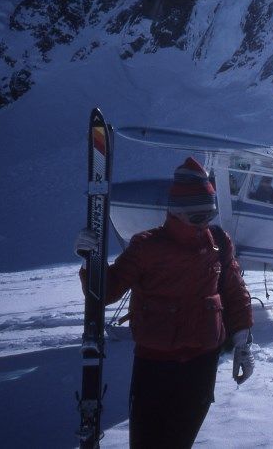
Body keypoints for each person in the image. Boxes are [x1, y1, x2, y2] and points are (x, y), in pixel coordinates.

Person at [74, 157, 254, 449]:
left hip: (202, 364)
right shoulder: (147, 247)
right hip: (155, 365)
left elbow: (234, 292)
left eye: (209, 215)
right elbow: (105, 292)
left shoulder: (219, 241)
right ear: (176, 212)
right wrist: (89, 261)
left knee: (179, 442)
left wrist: (243, 342)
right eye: (197, 217)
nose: (204, 225)